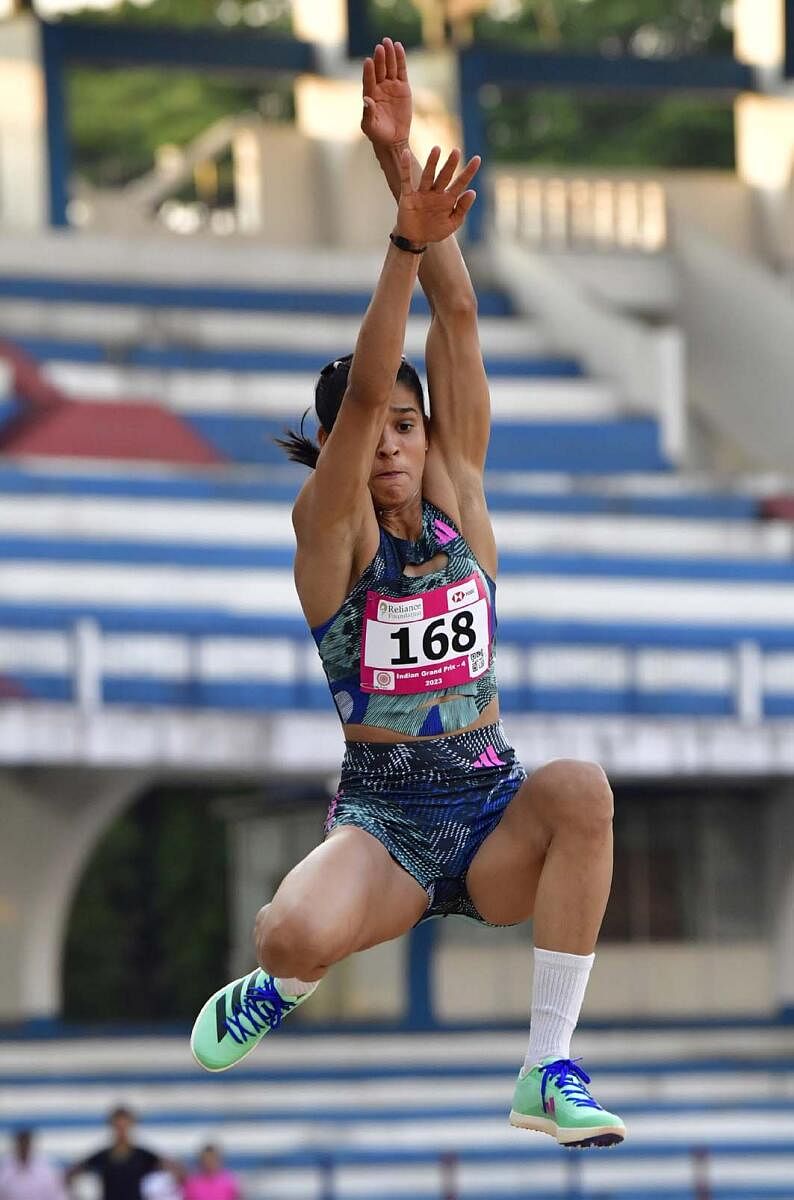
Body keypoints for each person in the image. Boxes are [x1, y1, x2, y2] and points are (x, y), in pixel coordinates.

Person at [191, 38, 624, 1149]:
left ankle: (547, 1069)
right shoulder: (327, 539)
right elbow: (375, 371)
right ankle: (282, 987)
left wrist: (401, 170)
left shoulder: (463, 501)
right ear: (340, 443)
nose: (387, 441)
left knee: (580, 788)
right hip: (384, 827)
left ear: (428, 435)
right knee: (289, 933)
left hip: (489, 817)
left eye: (404, 424)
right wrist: (397, 244)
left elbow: (459, 322)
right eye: (368, 426)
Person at [65, 1107, 168, 1200]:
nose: (121, 1130)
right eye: (118, 1126)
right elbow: (72, 1173)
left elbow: (173, 1170)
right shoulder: (102, 1156)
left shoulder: (143, 1156)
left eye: (124, 1126)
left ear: (131, 1125)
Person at [0, 1130, 68, 1200]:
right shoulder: (4, 1171)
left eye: (26, 1144)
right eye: (21, 1144)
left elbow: (57, 1195)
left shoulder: (47, 1172)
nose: (23, 1148)